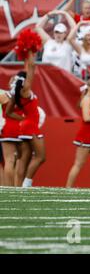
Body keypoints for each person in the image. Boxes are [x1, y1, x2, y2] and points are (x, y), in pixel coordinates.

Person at [6, 54, 45, 188]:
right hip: (30, 127)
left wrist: (23, 119)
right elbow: (32, 67)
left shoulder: (16, 93)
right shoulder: (26, 91)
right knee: (41, 157)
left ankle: (19, 186)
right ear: (25, 80)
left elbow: (8, 112)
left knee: (25, 158)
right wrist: (30, 51)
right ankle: (27, 183)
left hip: (25, 126)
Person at [0, 85, 22, 186]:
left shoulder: (3, 95)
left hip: (6, 129)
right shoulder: (25, 96)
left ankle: (7, 188)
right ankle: (16, 186)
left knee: (8, 160)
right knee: (19, 160)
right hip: (20, 129)